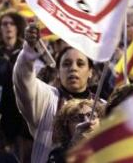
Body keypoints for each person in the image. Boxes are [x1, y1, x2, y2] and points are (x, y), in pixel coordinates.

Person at [13, 24, 101, 163]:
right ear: (58, 73)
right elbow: (23, 82)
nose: (73, 68)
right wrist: (28, 52)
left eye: (80, 64)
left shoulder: (102, 106)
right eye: (66, 64)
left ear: (91, 72)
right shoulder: (46, 99)